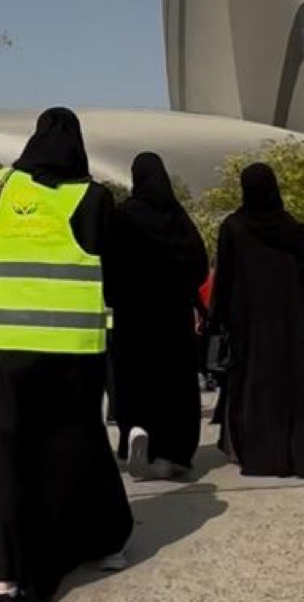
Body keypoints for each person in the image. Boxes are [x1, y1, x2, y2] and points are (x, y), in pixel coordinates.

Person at [0, 108, 132, 602]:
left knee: (5, 458)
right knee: (60, 453)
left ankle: (5, 576)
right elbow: (117, 265)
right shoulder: (92, 198)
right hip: (67, 349)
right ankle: (50, 562)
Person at [211, 163, 304, 479]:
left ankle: (263, 455)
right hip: (290, 321)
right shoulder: (295, 231)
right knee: (294, 385)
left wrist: (217, 320)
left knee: (255, 386)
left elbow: (225, 278)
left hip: (249, 322)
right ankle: (300, 455)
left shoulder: (234, 227)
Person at [112, 152, 209, 481]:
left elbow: (109, 262)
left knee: (135, 377)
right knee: (175, 382)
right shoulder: (178, 218)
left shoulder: (124, 216)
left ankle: (135, 435)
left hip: (133, 315)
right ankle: (175, 451)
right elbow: (199, 263)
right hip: (173, 316)